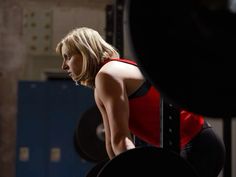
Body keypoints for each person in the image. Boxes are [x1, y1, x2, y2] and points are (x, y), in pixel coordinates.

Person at [55, 27, 225, 177]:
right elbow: (112, 143)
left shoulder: (107, 75)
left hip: (198, 146)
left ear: (84, 52)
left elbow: (121, 139)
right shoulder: (106, 76)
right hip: (192, 145)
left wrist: (136, 169)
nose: (64, 66)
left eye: (67, 57)